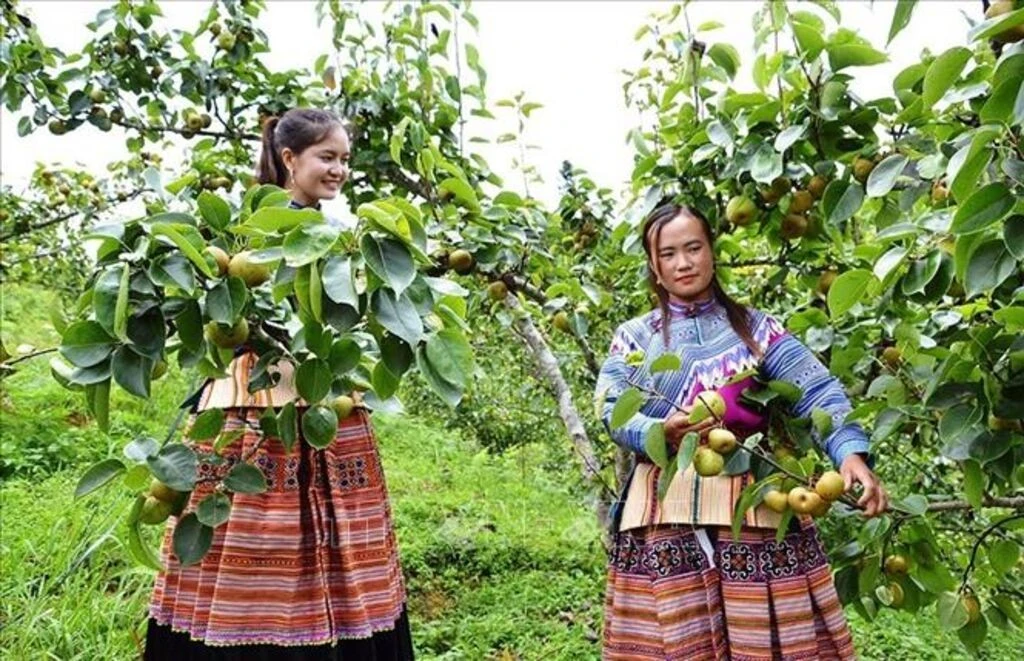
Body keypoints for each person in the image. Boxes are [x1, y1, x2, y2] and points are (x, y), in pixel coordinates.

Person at [145, 108, 415, 660]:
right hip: (256, 399)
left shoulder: (338, 239)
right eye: (326, 157)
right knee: (252, 533)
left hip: (325, 398)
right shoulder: (254, 233)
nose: (338, 169)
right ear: (289, 159)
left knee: (333, 541)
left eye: (344, 159)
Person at [595, 203, 887, 660]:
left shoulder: (757, 329)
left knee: (769, 641)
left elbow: (816, 389)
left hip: (754, 501)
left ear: (712, 251)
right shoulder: (635, 338)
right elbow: (611, 408)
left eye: (693, 248)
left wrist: (850, 454)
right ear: (654, 265)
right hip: (662, 510)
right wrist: (655, 429)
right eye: (669, 253)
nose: (683, 262)